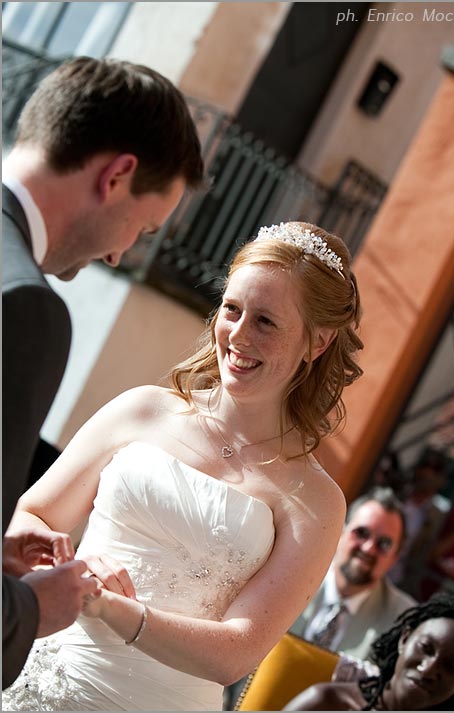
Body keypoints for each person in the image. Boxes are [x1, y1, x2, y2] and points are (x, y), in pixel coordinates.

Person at [3, 221, 362, 711]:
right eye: (232, 309)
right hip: (47, 673)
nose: (238, 334)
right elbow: (34, 516)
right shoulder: (142, 409)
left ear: (317, 343)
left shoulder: (315, 501)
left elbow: (236, 652)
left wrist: (117, 611)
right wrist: (67, 562)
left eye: (266, 322)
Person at [2, 55, 204, 690]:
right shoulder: (25, 307)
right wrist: (33, 609)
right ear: (117, 175)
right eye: (142, 227)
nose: (120, 253)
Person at [283, 591, 454, 711]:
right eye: (426, 648)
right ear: (404, 639)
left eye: (452, 667)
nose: (429, 670)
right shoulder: (327, 704)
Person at [290, 487, 416, 659]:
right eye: (362, 533)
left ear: (394, 559)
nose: (368, 548)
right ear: (341, 532)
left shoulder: (400, 621)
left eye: (384, 543)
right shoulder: (292, 571)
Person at [388, 449, 451, 598]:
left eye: (435, 469)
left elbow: (432, 552)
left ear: (442, 479)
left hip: (398, 580)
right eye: (425, 465)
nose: (428, 473)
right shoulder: (395, 496)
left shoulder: (439, 514)